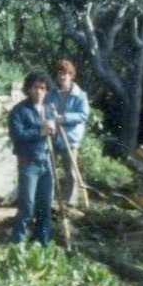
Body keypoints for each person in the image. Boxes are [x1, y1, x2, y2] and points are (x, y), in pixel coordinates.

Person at [7, 70, 56, 246]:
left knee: (44, 208)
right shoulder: (19, 111)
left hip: (46, 163)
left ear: (46, 91)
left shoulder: (48, 110)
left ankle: (42, 245)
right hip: (28, 164)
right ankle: (16, 244)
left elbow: (51, 137)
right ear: (28, 89)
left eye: (42, 88)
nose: (38, 91)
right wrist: (40, 132)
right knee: (27, 207)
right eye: (35, 87)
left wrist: (52, 130)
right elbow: (17, 135)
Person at [44, 59, 89, 206]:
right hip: (53, 137)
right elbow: (45, 110)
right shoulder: (51, 94)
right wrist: (50, 120)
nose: (62, 77)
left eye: (65, 74)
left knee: (70, 171)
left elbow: (83, 115)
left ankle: (70, 202)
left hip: (70, 138)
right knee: (48, 169)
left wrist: (62, 118)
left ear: (71, 75)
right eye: (59, 74)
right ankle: (48, 199)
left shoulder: (80, 95)